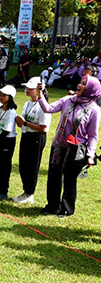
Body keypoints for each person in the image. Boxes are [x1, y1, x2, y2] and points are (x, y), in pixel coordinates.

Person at [38, 74, 100, 218]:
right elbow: (49, 109)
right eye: (80, 82)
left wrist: (90, 155)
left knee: (70, 180)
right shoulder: (68, 100)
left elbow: (93, 135)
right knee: (54, 176)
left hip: (76, 150)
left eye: (84, 83)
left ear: (91, 89)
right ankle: (52, 205)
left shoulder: (94, 110)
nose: (80, 85)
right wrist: (41, 95)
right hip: (59, 146)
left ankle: (66, 209)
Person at [14, 77, 51, 204]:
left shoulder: (43, 106)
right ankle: (26, 190)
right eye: (27, 88)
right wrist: (20, 122)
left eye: (31, 88)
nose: (27, 90)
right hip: (26, 136)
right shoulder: (27, 104)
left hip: (37, 137)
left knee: (32, 166)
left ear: (39, 90)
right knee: (23, 165)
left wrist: (26, 123)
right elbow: (22, 122)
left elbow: (43, 127)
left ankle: (30, 193)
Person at [0, 86, 18, 201]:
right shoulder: (0, 109)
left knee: (4, 167)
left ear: (9, 97)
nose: (0, 97)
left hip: (6, 142)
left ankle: (3, 191)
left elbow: (6, 131)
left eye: (3, 95)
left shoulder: (11, 112)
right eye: (0, 95)